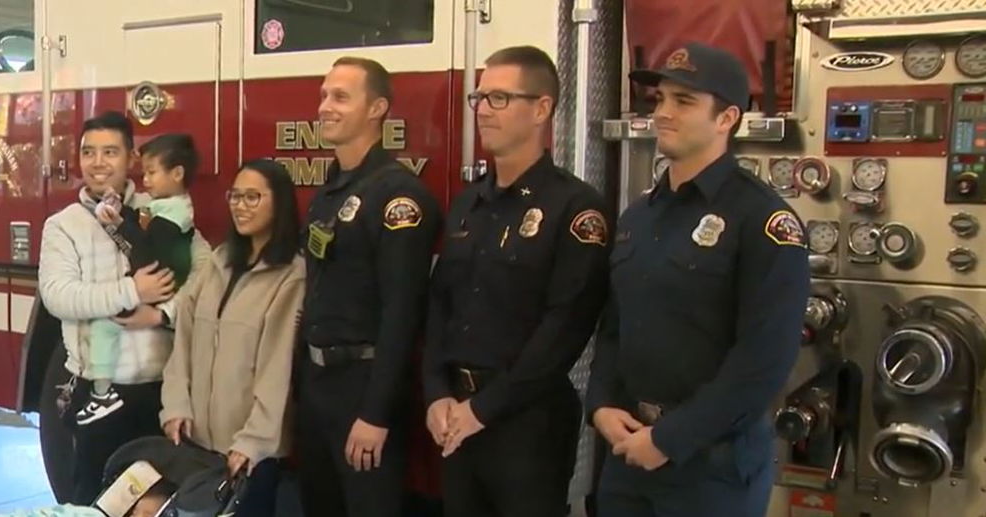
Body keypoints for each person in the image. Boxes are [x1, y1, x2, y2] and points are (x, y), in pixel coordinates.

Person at [585, 42, 810, 516]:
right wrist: (601, 404)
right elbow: (614, 325)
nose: (663, 113)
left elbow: (764, 360)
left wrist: (670, 438)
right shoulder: (638, 217)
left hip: (711, 469)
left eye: (683, 101)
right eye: (660, 99)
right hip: (629, 458)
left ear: (727, 118)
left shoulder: (763, 220)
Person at [422, 45, 610, 517]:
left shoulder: (575, 209)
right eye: (479, 98)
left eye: (499, 98)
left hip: (528, 424)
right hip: (457, 418)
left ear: (541, 109)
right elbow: (440, 305)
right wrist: (437, 392)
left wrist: (482, 410)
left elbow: (564, 328)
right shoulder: (469, 204)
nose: (483, 110)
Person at [38, 111, 211, 504]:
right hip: (99, 393)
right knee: (93, 501)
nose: (98, 162)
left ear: (131, 158)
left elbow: (206, 274)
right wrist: (132, 290)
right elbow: (58, 295)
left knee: (158, 502)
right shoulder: (63, 225)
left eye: (110, 151)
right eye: (89, 152)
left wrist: (162, 314)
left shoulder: (163, 209)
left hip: (162, 393)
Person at [295, 56, 441, 517]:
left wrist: (375, 413)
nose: (325, 107)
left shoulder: (398, 196)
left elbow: (403, 313)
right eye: (323, 95)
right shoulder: (331, 191)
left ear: (377, 108)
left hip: (363, 388)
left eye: (340, 96)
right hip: (318, 386)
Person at [159, 159, 305, 517]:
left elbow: (278, 366)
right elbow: (185, 341)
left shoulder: (291, 274)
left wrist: (254, 440)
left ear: (280, 203)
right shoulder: (220, 259)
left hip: (249, 453)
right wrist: (175, 404)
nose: (241, 206)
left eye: (253, 197)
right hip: (197, 443)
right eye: (235, 196)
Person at [79, 133, 202, 426]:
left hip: (158, 288)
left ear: (177, 173)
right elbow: (144, 222)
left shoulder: (171, 219)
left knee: (104, 323)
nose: (145, 180)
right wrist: (122, 214)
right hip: (164, 287)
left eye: (151, 172)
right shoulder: (171, 206)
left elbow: (146, 250)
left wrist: (120, 225)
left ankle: (102, 392)